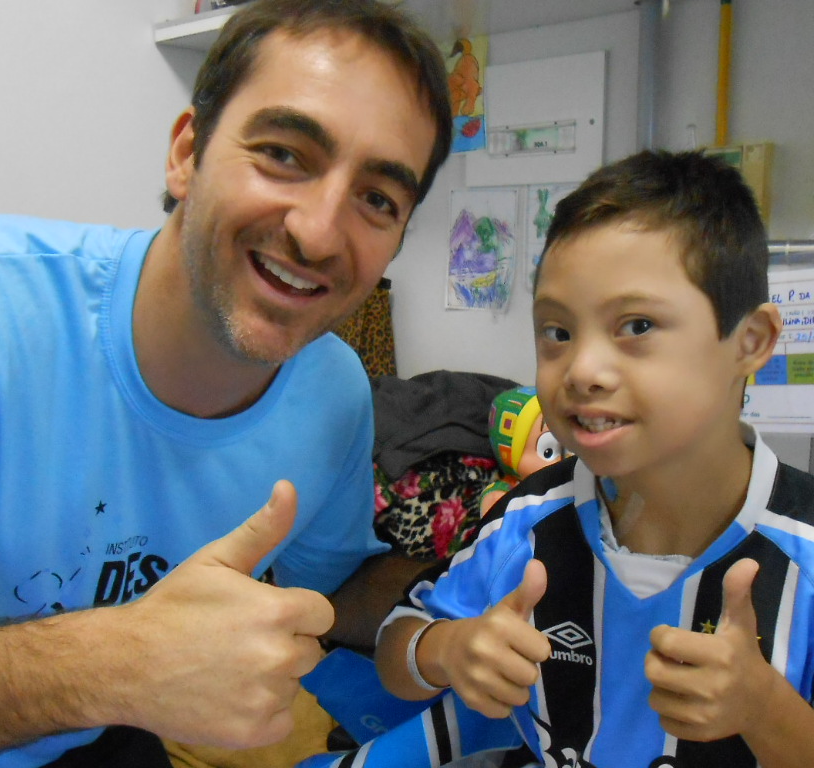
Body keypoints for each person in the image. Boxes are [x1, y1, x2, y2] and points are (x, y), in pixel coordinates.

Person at [0, 1, 453, 767]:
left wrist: (480, 593)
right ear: (187, 153)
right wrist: (118, 663)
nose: (317, 232)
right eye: (284, 154)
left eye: (378, 199)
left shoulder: (333, 390)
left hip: (101, 735)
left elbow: (332, 587)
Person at [300, 150, 814, 768]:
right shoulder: (529, 518)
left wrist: (765, 709)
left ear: (749, 342)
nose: (583, 371)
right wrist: (449, 649)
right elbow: (397, 645)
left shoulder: (802, 550)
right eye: (558, 332)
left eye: (638, 325)